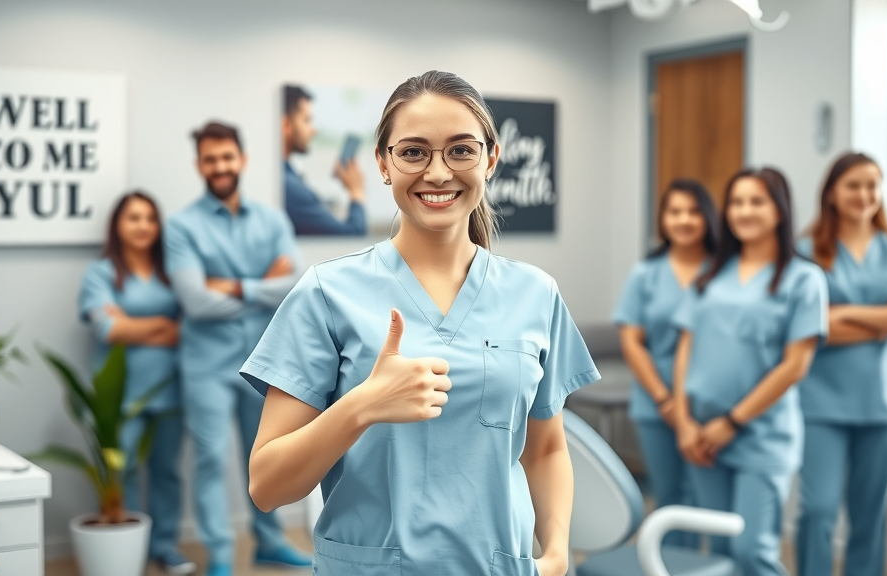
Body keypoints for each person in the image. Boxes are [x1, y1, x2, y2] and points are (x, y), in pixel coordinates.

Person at [241, 71, 600, 576]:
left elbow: (544, 450)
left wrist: (557, 552)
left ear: (491, 159)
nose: (437, 173)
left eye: (460, 150)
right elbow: (267, 486)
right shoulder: (326, 294)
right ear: (383, 164)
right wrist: (362, 405)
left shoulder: (536, 294)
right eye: (413, 152)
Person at [163, 121, 313, 576]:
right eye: (210, 159)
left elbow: (296, 286)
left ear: (242, 160)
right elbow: (195, 302)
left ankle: (269, 543)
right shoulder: (181, 227)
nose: (220, 166)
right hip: (205, 367)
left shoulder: (271, 220)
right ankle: (222, 558)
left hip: (264, 363)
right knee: (210, 461)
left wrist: (230, 287)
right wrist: (262, 284)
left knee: (266, 456)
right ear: (199, 165)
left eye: (227, 157)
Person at [672, 167, 828, 576]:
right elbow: (686, 348)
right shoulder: (710, 275)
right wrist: (684, 420)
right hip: (702, 435)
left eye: (756, 201)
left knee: (751, 552)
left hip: (761, 436)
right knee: (719, 553)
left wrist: (733, 421)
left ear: (780, 210)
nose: (744, 211)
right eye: (737, 202)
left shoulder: (804, 279)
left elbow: (796, 365)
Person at [796, 153, 887, 576]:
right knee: (817, 511)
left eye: (873, 185)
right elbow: (808, 327)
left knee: (869, 519)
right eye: (854, 185)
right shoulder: (806, 251)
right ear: (832, 193)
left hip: (885, 401)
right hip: (820, 402)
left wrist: (844, 315)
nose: (865, 194)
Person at [78, 191, 195, 575]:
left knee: (166, 473)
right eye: (133, 218)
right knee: (121, 471)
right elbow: (108, 328)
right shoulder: (101, 274)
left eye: (149, 218)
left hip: (171, 391)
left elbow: (188, 328)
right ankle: (122, 553)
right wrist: (162, 325)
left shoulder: (171, 271)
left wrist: (134, 325)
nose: (143, 226)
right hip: (121, 397)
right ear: (117, 225)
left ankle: (163, 546)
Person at [613, 179, 719, 549]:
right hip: (656, 405)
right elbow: (632, 342)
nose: (684, 220)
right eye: (675, 212)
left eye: (693, 211)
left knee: (711, 503)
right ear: (663, 219)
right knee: (671, 497)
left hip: (713, 404)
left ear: (707, 217)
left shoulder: (725, 271)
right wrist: (665, 400)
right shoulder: (646, 274)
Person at [283, 85, 367, 235]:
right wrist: (356, 191)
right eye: (307, 121)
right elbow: (353, 237)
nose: (314, 130)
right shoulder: (288, 186)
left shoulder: (288, 175)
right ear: (286, 125)